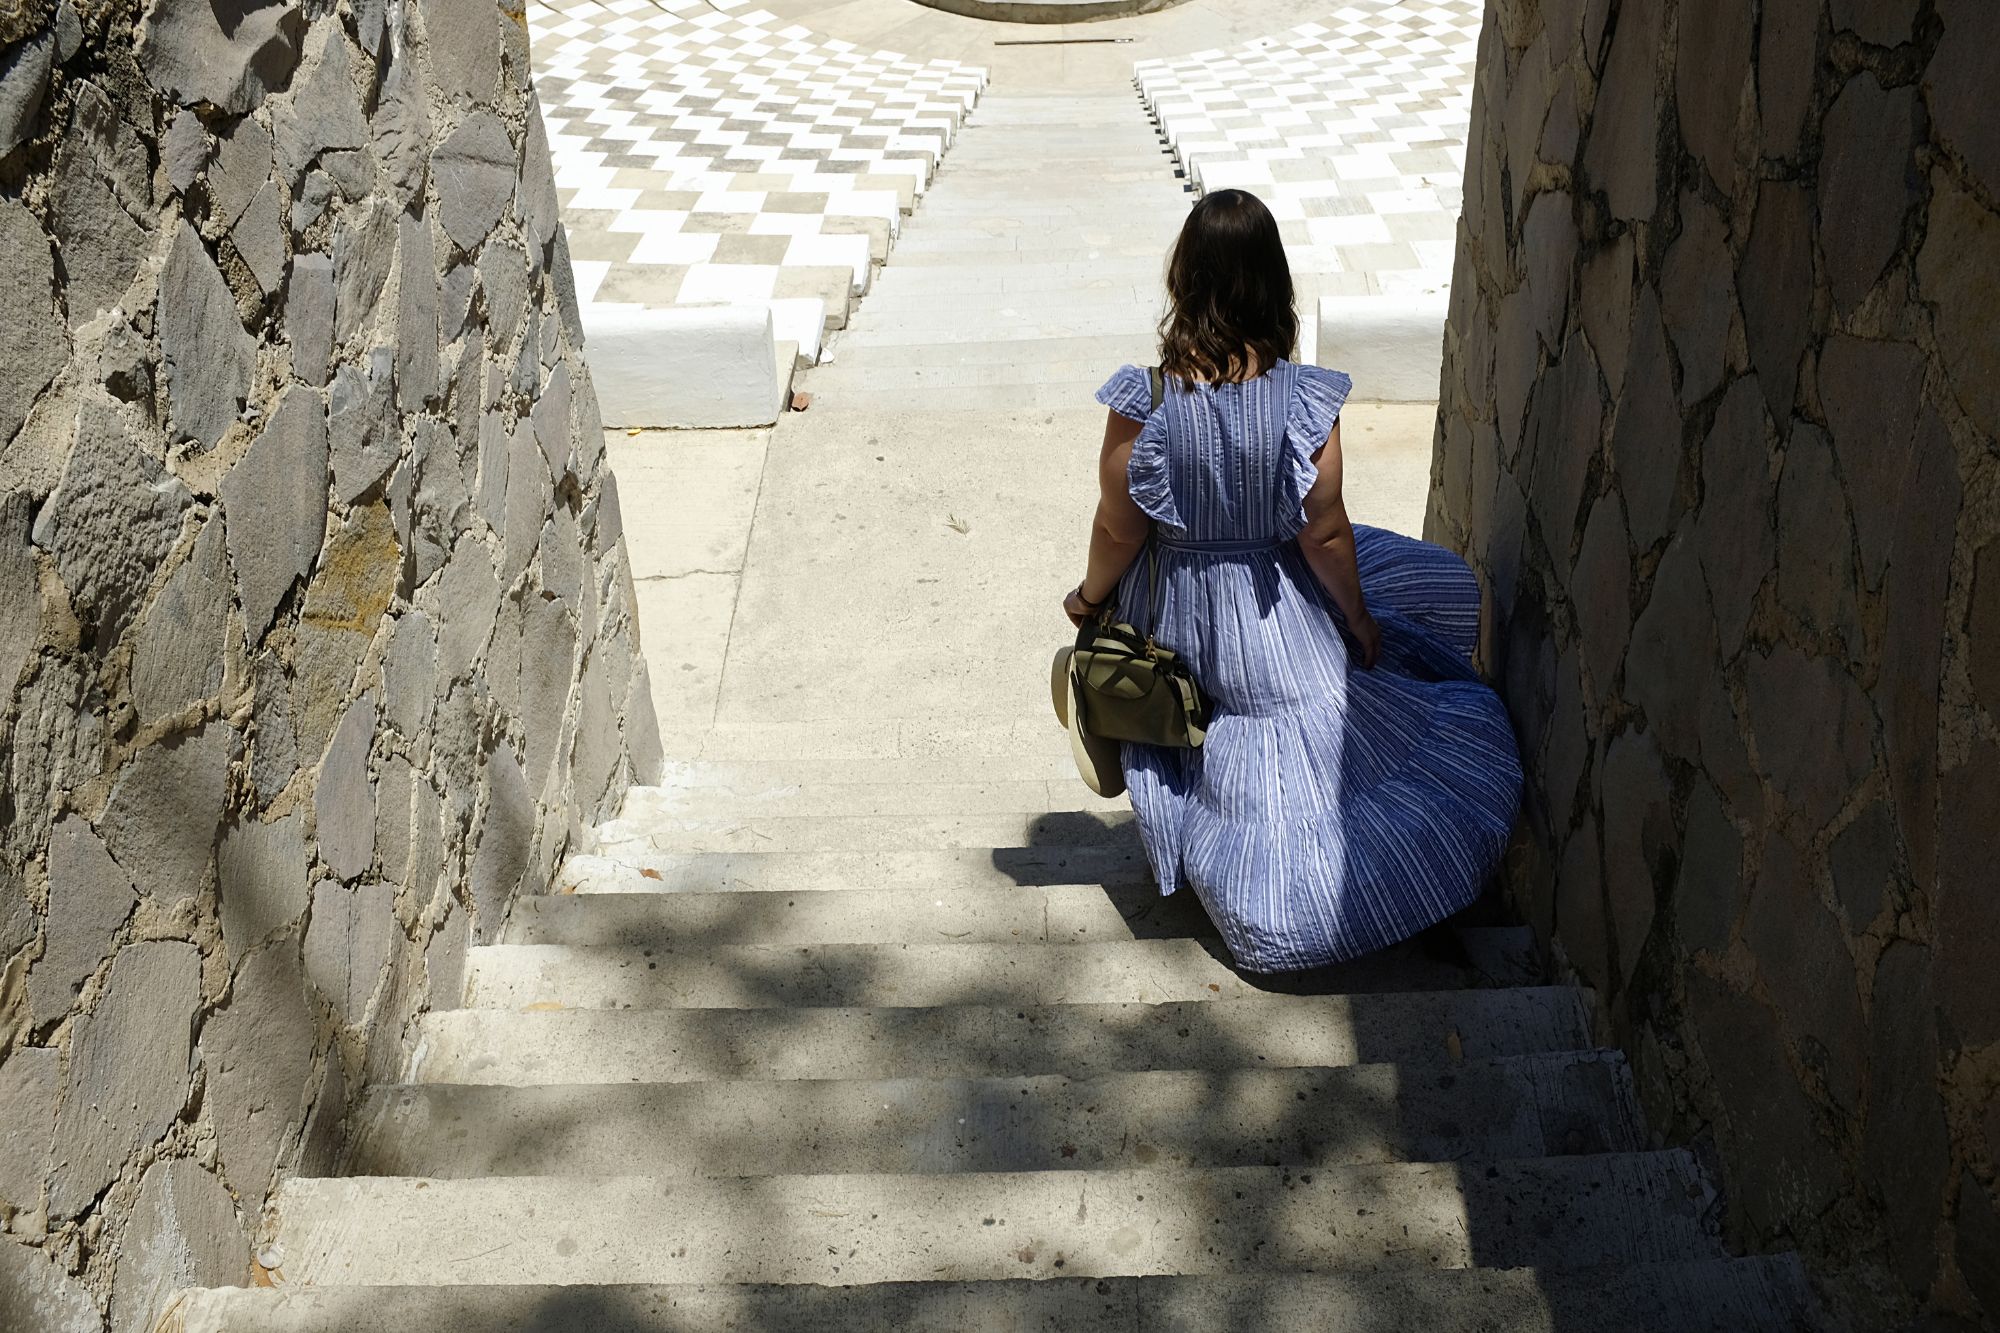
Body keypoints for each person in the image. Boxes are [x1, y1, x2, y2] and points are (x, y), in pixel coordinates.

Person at [1063, 188, 1522, 974]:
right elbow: (1325, 530)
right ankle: (1334, 884)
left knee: (1198, 715)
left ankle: (1235, 867)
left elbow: (1119, 526)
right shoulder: (1303, 399)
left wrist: (1091, 597)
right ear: (1274, 283)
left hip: (1176, 606)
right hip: (1270, 607)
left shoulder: (1145, 399)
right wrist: (1359, 620)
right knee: (1301, 726)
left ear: (1186, 279)